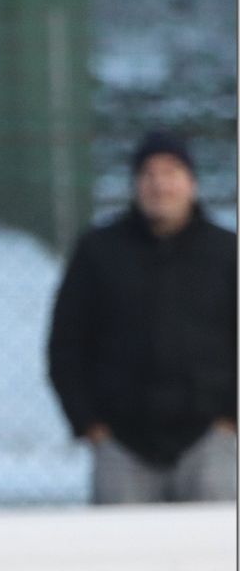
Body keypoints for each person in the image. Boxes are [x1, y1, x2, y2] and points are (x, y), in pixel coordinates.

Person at [47, 129, 237, 504]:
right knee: (121, 558)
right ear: (135, 185)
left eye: (171, 173)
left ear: (192, 183)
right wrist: (89, 424)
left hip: (210, 443)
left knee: (215, 554)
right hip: (122, 445)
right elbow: (66, 343)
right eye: (149, 175)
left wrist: (231, 420)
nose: (160, 185)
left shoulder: (226, 252)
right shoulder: (99, 251)